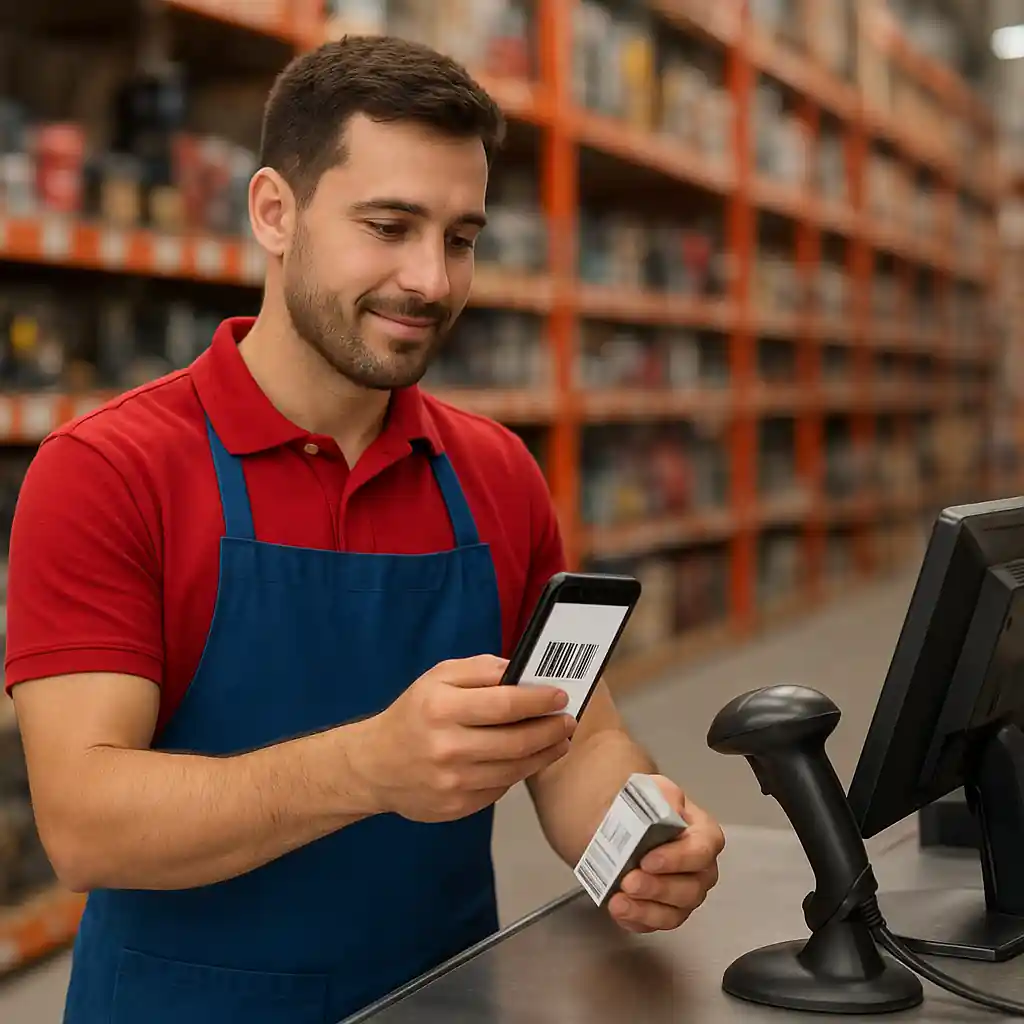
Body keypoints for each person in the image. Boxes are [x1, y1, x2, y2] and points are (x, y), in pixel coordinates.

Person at [5, 35, 726, 1024]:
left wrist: (638, 830)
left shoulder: (493, 474)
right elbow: (86, 823)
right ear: (274, 212)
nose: (429, 279)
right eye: (388, 225)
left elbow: (570, 739)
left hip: (442, 998)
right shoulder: (108, 472)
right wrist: (367, 768)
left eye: (460, 236)